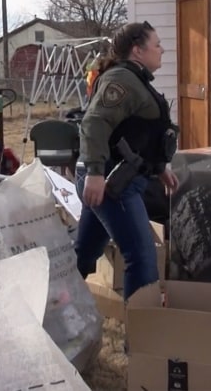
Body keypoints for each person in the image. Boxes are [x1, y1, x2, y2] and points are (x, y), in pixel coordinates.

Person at [75, 21, 180, 300]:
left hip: (113, 178)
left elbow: (137, 134)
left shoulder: (136, 80)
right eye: (157, 45)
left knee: (83, 255)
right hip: (111, 183)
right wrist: (96, 174)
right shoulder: (121, 80)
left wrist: (159, 169)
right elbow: (94, 124)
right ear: (137, 50)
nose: (163, 50)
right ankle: (142, 339)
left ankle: (59, 307)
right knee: (143, 259)